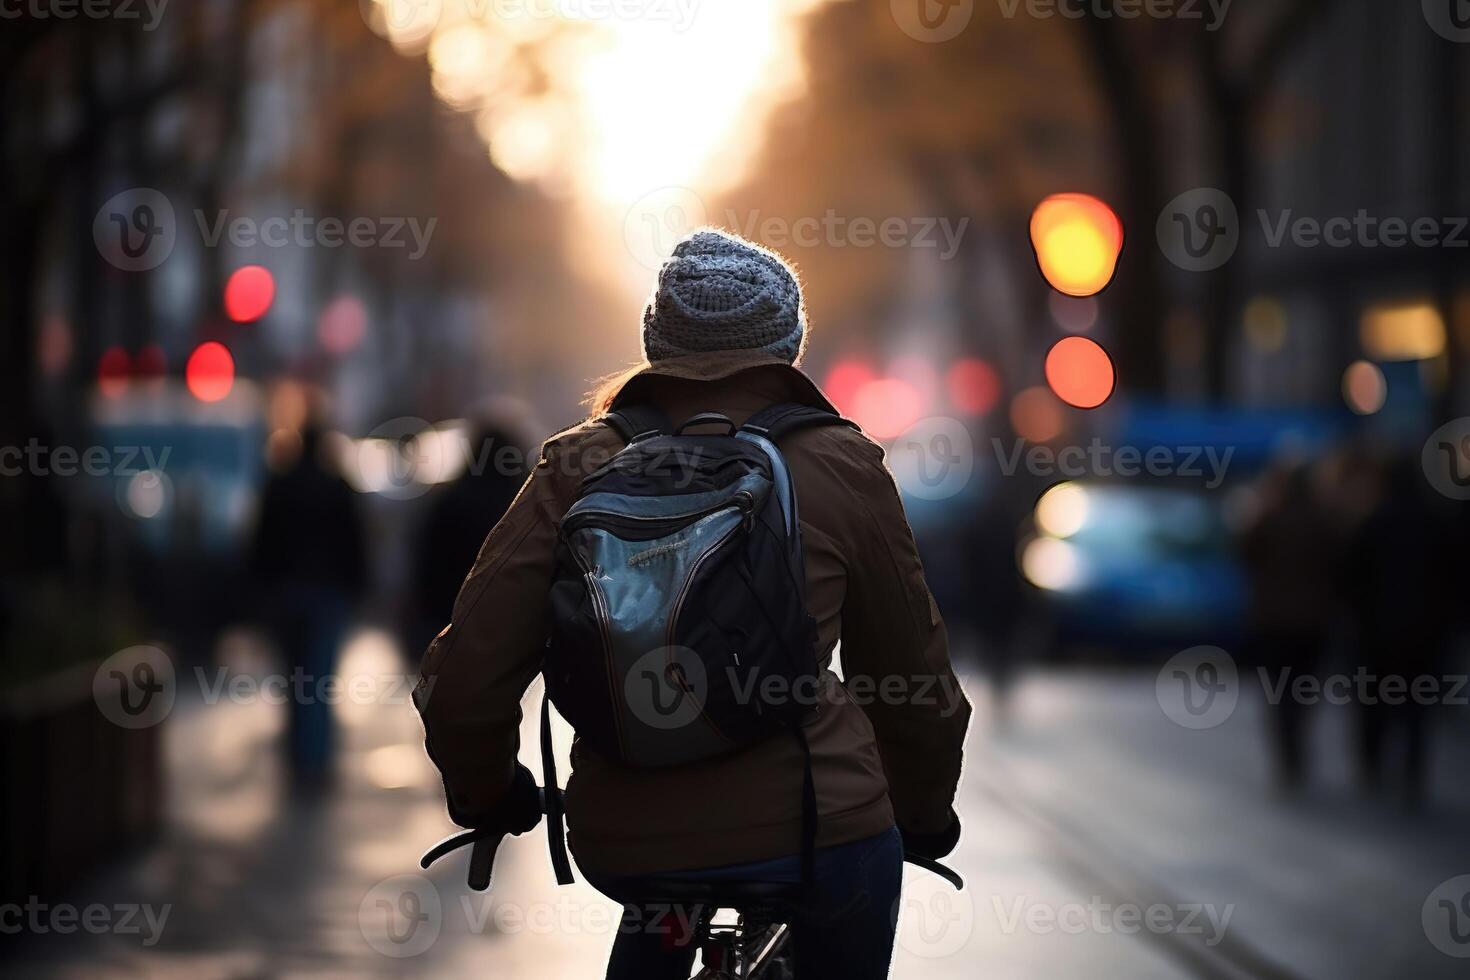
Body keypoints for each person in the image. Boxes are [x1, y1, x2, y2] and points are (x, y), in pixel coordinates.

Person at [416, 229, 970, 979]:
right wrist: (923, 815)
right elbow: (914, 683)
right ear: (788, 346)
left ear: (655, 343)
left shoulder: (578, 463)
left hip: (631, 842)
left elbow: (464, 680)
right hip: (818, 832)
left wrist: (489, 794)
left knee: (658, 920)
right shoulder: (843, 465)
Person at [250, 419, 367, 790]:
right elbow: (355, 543)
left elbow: (262, 542)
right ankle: (314, 762)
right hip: (328, 596)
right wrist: (358, 589)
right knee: (318, 681)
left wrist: (260, 591)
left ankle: (297, 757)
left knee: (293, 680)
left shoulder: (279, 484)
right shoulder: (337, 488)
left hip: (286, 595)